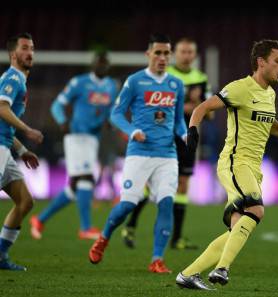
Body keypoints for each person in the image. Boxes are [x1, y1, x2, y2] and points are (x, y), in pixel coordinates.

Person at [176, 39, 278, 289]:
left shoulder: (270, 93)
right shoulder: (240, 88)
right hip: (235, 162)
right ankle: (222, 269)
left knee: (238, 225)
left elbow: (268, 122)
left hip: (253, 168)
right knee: (256, 210)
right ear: (261, 62)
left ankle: (188, 275)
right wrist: (192, 131)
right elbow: (202, 107)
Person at [88, 33, 186, 274]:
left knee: (166, 203)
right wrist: (132, 131)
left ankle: (157, 259)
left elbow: (179, 120)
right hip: (139, 154)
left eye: (166, 53)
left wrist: (185, 134)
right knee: (128, 204)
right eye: (158, 53)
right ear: (148, 54)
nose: (162, 58)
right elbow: (116, 114)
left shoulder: (176, 84)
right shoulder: (135, 81)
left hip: (167, 155)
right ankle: (104, 237)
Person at [122, 37, 209, 250]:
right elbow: (176, 110)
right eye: (182, 52)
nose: (186, 55)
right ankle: (131, 224)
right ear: (175, 54)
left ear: (194, 56)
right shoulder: (166, 77)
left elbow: (207, 110)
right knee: (148, 184)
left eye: (190, 52)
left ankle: (176, 237)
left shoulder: (201, 78)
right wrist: (195, 106)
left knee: (183, 185)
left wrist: (198, 107)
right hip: (164, 138)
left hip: (188, 137)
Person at [29, 52, 118, 240]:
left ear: (108, 66)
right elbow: (56, 106)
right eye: (98, 62)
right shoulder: (79, 82)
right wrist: (63, 122)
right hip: (76, 136)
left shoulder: (111, 86)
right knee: (86, 179)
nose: (101, 66)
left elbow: (110, 111)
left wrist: (109, 121)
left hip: (93, 139)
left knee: (76, 185)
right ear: (93, 65)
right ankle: (85, 228)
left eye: (104, 63)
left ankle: (40, 219)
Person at [0, 32, 44, 270]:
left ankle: (0, 256)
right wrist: (27, 130)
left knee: (25, 202)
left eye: (32, 48)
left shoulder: (20, 81)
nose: (30, 53)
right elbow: (1, 109)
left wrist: (22, 149)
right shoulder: (12, 78)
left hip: (5, 148)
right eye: (25, 48)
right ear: (13, 54)